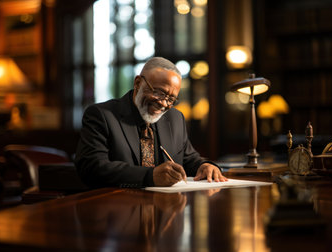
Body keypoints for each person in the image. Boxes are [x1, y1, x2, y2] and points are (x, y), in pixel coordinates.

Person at [75, 57, 227, 188]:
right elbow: (92, 167)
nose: (164, 104)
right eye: (159, 93)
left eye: (171, 99)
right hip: (117, 210)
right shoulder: (102, 115)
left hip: (165, 212)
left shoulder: (175, 118)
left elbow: (189, 159)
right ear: (138, 83)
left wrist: (205, 166)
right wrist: (149, 176)